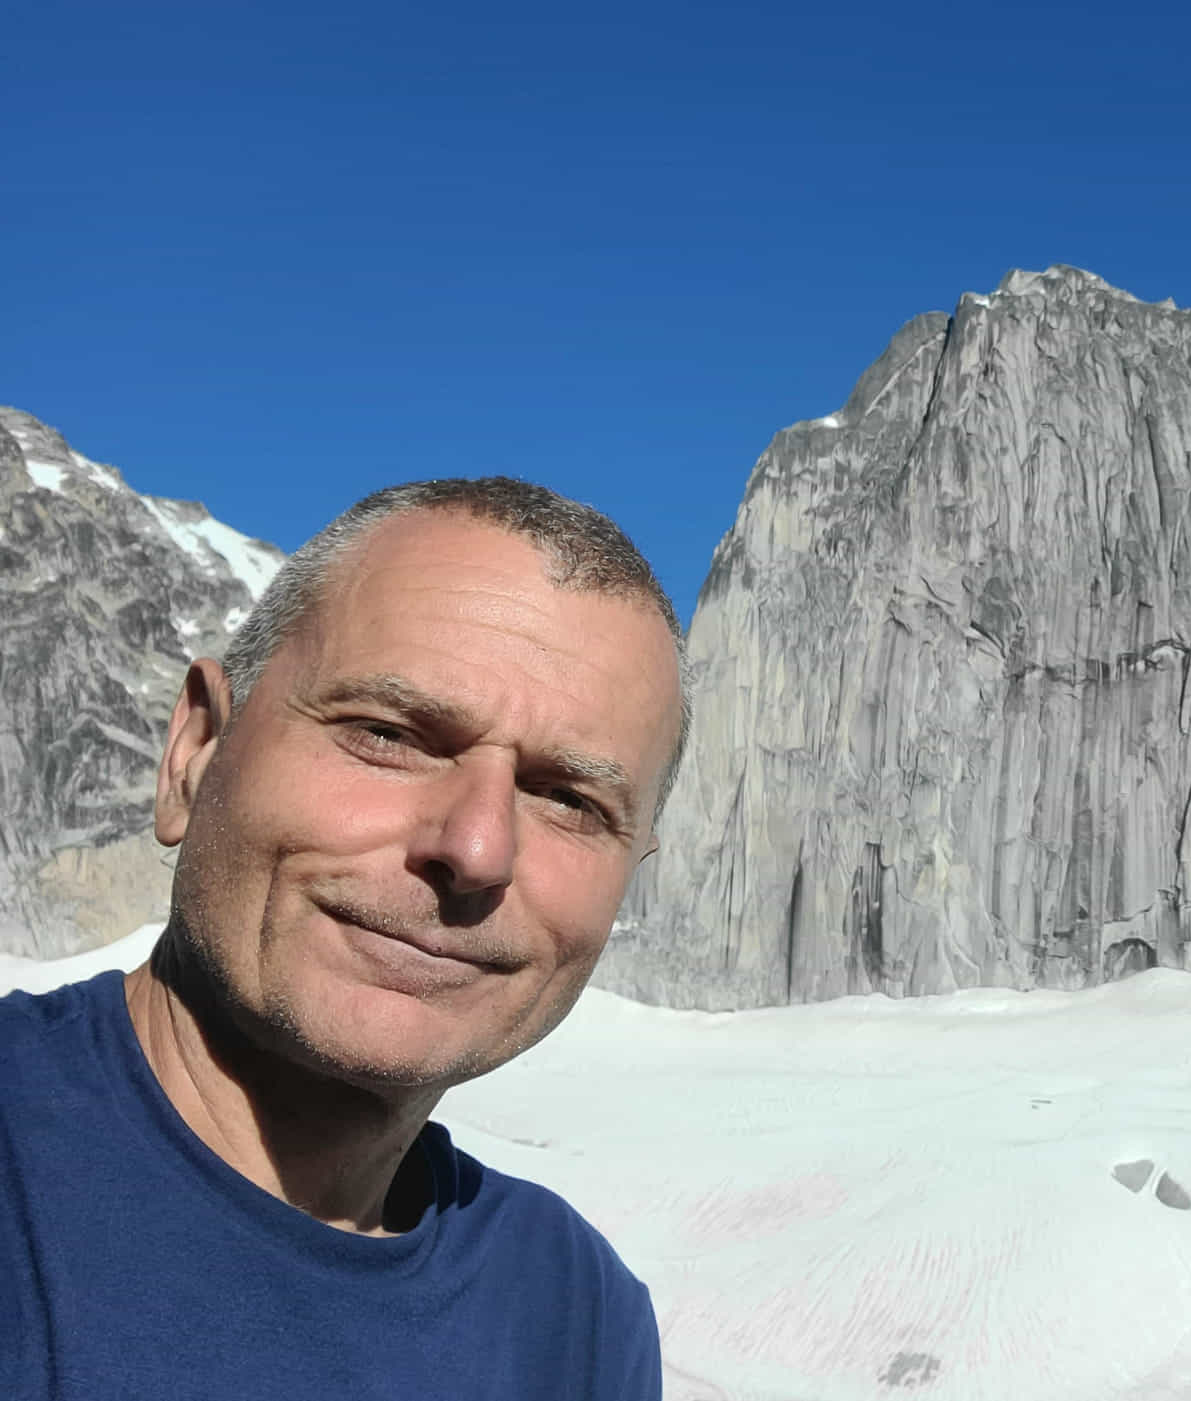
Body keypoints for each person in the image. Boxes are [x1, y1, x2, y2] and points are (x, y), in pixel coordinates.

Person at [0, 479, 684, 1398]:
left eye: (569, 798)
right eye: (388, 734)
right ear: (194, 753)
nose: (477, 847)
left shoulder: (578, 1319)